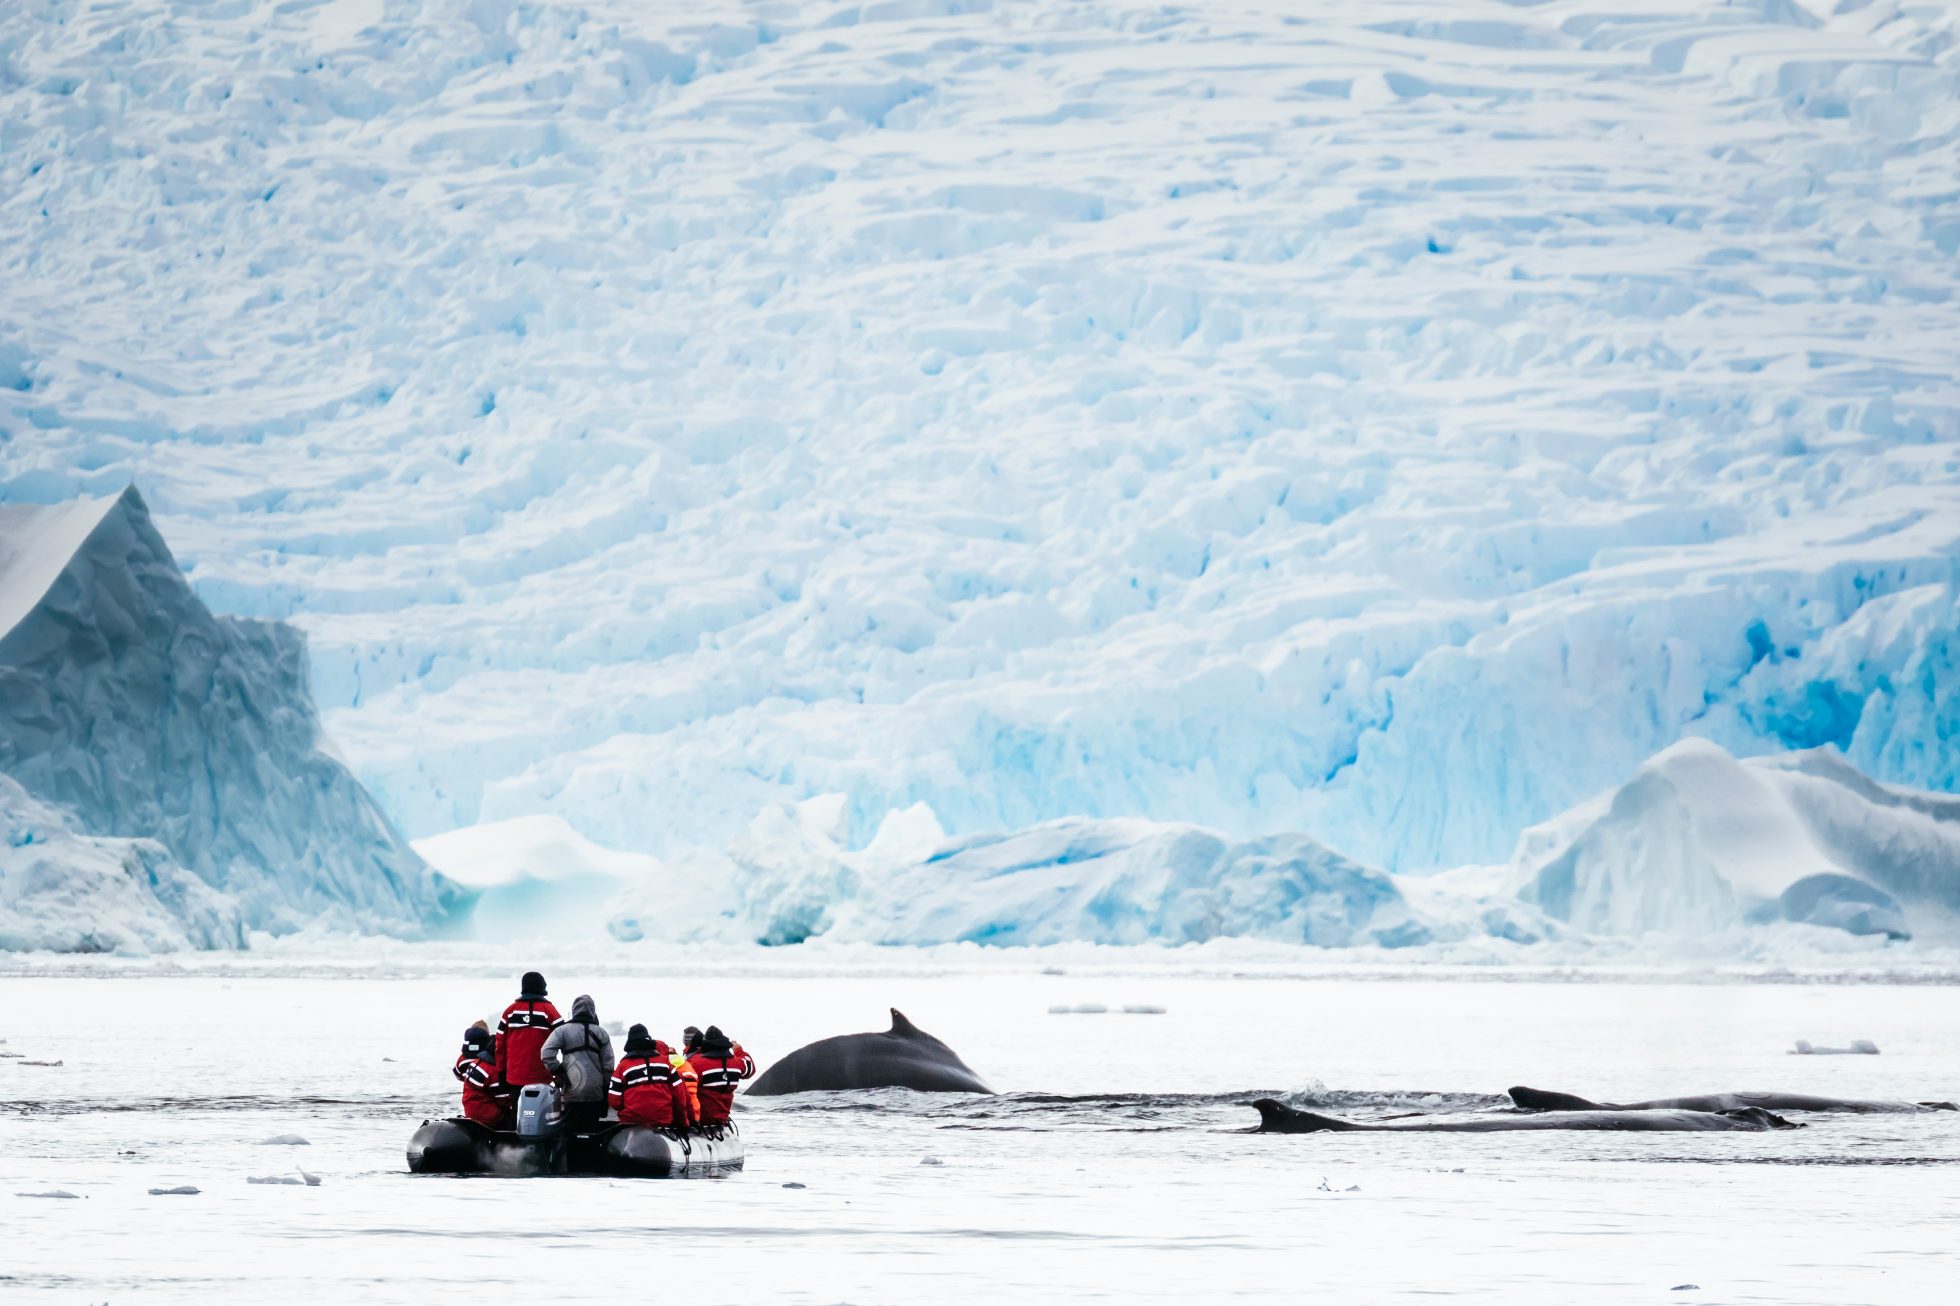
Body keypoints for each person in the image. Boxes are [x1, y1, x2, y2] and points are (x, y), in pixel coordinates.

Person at [539, 994, 614, 1131]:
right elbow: (608, 1066)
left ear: (574, 1010)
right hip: (595, 1092)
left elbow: (546, 1053)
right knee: (591, 1131)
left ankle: (571, 1151)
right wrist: (605, 1091)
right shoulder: (601, 1033)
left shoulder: (562, 1031)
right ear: (593, 1011)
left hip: (572, 1090)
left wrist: (560, 1071)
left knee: (570, 1131)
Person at [609, 1024, 690, 1130]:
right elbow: (680, 1096)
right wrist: (683, 1124)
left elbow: (614, 1101)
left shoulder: (622, 1066)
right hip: (663, 1122)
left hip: (632, 1123)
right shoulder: (666, 1063)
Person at [495, 971, 561, 1089]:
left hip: (514, 1076)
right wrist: (561, 1071)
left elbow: (499, 1044)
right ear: (542, 986)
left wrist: (501, 1071)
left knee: (517, 1107)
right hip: (542, 1076)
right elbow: (565, 1038)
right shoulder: (549, 1011)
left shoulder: (510, 1011)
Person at [688, 1025, 756, 1131]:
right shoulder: (737, 1062)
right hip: (722, 1120)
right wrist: (738, 1050)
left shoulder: (696, 1064)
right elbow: (750, 1068)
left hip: (701, 1120)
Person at [454, 1023, 513, 1129]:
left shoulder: (473, 1062)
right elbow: (503, 1100)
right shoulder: (492, 1071)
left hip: (472, 1112)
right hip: (488, 1118)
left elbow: (457, 1074)